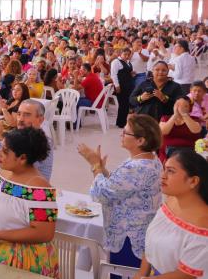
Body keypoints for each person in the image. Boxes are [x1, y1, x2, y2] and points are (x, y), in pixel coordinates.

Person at [0, 127, 59, 278]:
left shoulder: (38, 188)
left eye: (5, 151)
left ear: (22, 158)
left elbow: (44, 233)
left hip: (23, 259)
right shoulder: (2, 173)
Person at [77, 114, 162, 272]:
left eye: (125, 133)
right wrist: (102, 170)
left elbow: (101, 194)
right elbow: (120, 188)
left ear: (140, 140)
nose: (120, 135)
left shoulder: (136, 167)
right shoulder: (150, 160)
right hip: (141, 233)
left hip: (129, 237)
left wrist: (94, 164)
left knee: (123, 273)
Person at [136, 150, 208, 278]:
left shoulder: (203, 225)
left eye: (171, 171)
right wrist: (141, 274)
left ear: (193, 181)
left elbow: (185, 276)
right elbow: (151, 243)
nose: (162, 176)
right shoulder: (171, 200)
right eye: (164, 169)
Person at [0, 99, 54, 180]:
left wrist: (0, 138)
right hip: (5, 184)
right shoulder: (13, 135)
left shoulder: (44, 142)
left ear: (40, 119)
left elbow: (20, 167)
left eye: (27, 115)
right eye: (19, 114)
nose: (21, 119)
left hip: (28, 189)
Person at [159, 96, 202, 163]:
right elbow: (163, 132)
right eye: (178, 105)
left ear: (189, 108)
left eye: (185, 106)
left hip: (188, 155)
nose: (180, 108)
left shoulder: (194, 119)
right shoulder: (165, 118)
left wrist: (184, 115)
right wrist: (175, 115)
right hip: (167, 154)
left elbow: (196, 130)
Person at [111, 48, 136, 128]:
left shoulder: (128, 62)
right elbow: (114, 74)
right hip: (121, 86)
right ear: (120, 54)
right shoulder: (116, 62)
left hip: (129, 85)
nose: (127, 56)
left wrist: (131, 74)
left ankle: (124, 121)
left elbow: (127, 73)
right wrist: (117, 86)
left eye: (128, 55)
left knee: (127, 104)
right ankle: (120, 123)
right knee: (122, 104)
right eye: (125, 54)